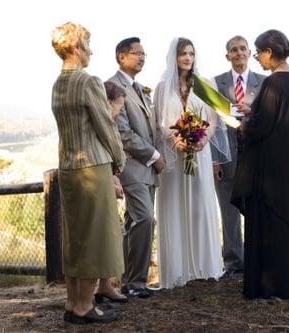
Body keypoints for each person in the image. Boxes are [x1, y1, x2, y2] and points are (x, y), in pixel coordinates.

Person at [231, 29, 289, 299]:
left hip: (270, 172)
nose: (257, 59)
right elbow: (275, 117)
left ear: (269, 52)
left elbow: (261, 128)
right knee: (288, 222)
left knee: (271, 223)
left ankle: (272, 284)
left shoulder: (273, 83)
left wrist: (243, 125)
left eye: (258, 53)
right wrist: (253, 112)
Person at [50, 22, 125, 323]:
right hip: (92, 168)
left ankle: (72, 304)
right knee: (96, 238)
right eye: (88, 45)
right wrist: (118, 161)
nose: (91, 50)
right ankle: (84, 306)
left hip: (67, 167)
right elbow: (105, 125)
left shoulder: (58, 83)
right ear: (76, 48)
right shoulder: (88, 81)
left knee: (76, 239)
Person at [154, 37, 231, 289]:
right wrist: (175, 138)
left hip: (201, 152)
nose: (188, 58)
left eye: (191, 53)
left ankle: (205, 266)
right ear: (173, 57)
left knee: (200, 205)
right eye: (183, 54)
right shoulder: (163, 87)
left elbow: (215, 118)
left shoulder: (204, 84)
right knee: (175, 204)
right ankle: (178, 271)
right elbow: (159, 123)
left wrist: (204, 138)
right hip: (175, 157)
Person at [107, 37, 165, 298]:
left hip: (147, 169)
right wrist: (154, 155)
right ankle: (137, 282)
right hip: (130, 165)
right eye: (136, 53)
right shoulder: (111, 85)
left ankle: (127, 282)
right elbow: (123, 133)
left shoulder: (140, 88)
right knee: (144, 218)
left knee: (133, 221)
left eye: (144, 54)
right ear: (121, 57)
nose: (142, 58)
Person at [212, 36, 266, 276]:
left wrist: (252, 111)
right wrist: (215, 159)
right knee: (228, 210)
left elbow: (268, 117)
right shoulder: (216, 83)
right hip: (226, 156)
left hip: (255, 155)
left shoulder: (264, 83)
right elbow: (210, 123)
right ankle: (233, 261)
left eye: (243, 49)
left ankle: (256, 257)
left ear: (249, 52)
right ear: (228, 56)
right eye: (234, 50)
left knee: (257, 208)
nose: (239, 53)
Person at [91, 81, 129, 304]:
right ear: (107, 103)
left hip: (108, 177)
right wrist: (111, 180)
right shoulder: (98, 124)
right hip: (96, 181)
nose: (119, 112)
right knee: (100, 235)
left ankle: (105, 285)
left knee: (110, 234)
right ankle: (94, 289)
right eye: (119, 107)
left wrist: (114, 177)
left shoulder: (109, 122)